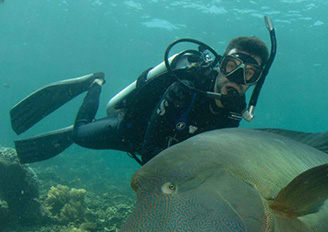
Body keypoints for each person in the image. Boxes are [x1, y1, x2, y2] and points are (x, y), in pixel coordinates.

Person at [10, 36, 270, 165]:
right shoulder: (184, 89)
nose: (235, 78)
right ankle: (94, 83)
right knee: (79, 134)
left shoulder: (235, 112)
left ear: (255, 81)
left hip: (161, 151)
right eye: (231, 65)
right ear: (220, 64)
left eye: (248, 73)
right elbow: (149, 153)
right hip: (129, 129)